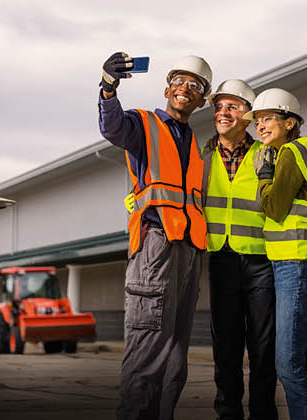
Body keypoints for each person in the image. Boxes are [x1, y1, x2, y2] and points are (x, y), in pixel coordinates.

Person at [100, 52, 210, 420]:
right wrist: (108, 87)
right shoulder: (144, 124)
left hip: (189, 251)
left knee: (175, 362)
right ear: (167, 88)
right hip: (155, 247)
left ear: (202, 98)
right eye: (179, 82)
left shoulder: (194, 143)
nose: (185, 89)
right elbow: (112, 128)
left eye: (194, 86)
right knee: (147, 354)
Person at [248, 88, 307, 420]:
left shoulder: (288, 153)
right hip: (303, 262)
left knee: (287, 363)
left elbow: (273, 208)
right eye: (257, 121)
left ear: (290, 122)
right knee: (305, 360)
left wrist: (263, 176)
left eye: (267, 118)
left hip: (295, 264)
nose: (260, 126)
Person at [201, 79, 278, 420]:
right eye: (219, 107)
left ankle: (263, 413)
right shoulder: (202, 157)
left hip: (262, 260)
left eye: (232, 106)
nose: (223, 113)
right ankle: (227, 413)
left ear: (248, 114)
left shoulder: (268, 153)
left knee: (263, 346)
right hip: (222, 258)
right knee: (226, 347)